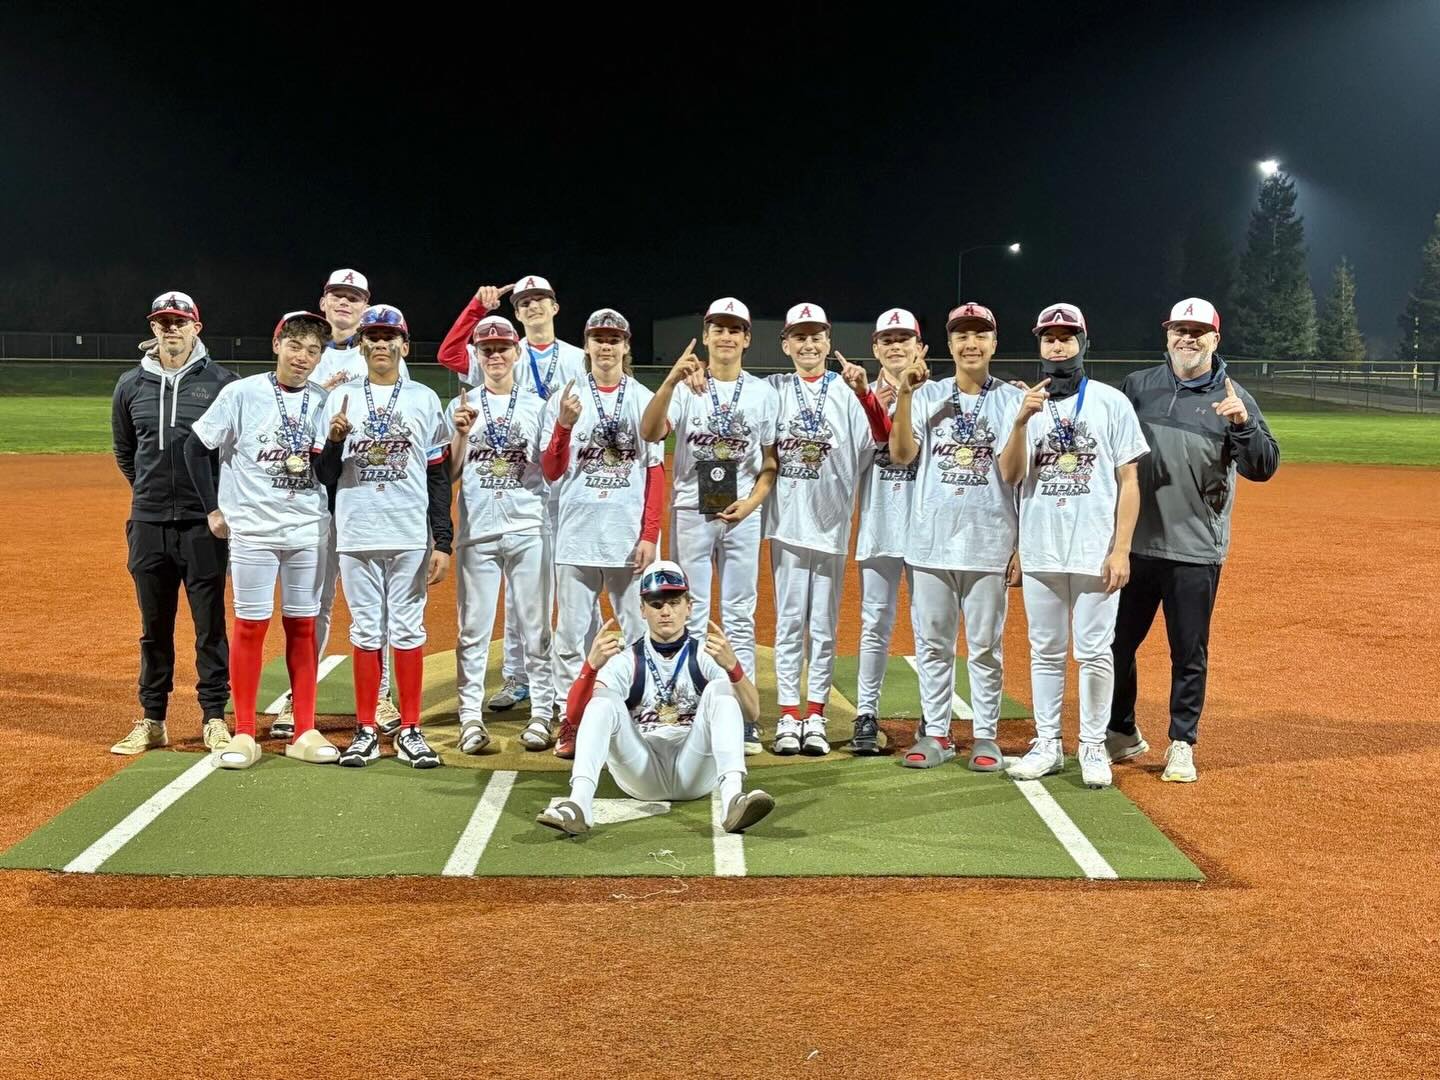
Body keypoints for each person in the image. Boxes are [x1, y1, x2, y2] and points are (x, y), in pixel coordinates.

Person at [1105, 298, 1279, 782]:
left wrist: (1243, 425)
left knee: (1188, 652)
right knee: (1115, 644)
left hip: (1196, 549)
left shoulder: (1233, 395)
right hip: (1134, 544)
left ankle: (1182, 742)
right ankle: (1122, 731)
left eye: (1199, 331)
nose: (1189, 338)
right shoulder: (1137, 388)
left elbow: (1264, 467)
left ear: (1215, 339)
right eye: (1181, 329)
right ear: (1167, 335)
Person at [998, 303, 1148, 789]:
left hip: (1093, 549)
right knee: (1044, 651)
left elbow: (1129, 479)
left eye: (1066, 337)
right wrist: (1020, 422)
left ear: (1083, 342)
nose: (1057, 345)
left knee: (1096, 652)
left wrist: (1121, 548)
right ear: (1039, 344)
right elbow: (1011, 475)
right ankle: (1046, 744)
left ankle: (1091, 745)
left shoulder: (1109, 401)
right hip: (1042, 548)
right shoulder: (1024, 403)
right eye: (1049, 338)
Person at [186, 311, 339, 769]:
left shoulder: (325, 401)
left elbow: (326, 473)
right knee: (250, 628)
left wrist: (333, 442)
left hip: (307, 530)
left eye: (313, 350)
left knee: (303, 627)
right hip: (253, 530)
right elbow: (196, 448)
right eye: (295, 346)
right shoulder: (241, 393)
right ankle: (246, 733)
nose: (303, 357)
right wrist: (212, 508)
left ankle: (305, 728)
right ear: (277, 345)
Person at [438, 275, 588, 716]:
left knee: (573, 591)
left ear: (555, 306)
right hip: (516, 490)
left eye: (540, 299)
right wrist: (476, 308)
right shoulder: (500, 349)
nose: (533, 306)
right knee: (520, 598)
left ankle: (576, 682)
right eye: (524, 302)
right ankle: (519, 680)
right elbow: (450, 353)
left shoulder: (578, 359)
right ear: (517, 312)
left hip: (568, 482)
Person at [536, 561, 774, 837]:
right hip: (641, 769)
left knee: (720, 691)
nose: (666, 612)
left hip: (693, 768)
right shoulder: (626, 660)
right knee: (603, 701)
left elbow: (752, 713)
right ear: (642, 610)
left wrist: (733, 668)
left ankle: (733, 799)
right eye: (657, 604)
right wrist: (590, 667)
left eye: (674, 602)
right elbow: (575, 718)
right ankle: (578, 804)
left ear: (689, 607)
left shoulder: (707, 655)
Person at [315, 304, 453, 768]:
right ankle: (366, 729)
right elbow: (324, 474)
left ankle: (411, 728)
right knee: (366, 630)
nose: (380, 343)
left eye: (389, 336)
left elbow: (438, 475)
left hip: (409, 534)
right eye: (371, 336)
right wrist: (334, 441)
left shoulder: (424, 399)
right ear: (361, 345)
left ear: (403, 345)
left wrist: (444, 540)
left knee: (409, 630)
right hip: (356, 533)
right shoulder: (339, 399)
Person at [272, 269, 408, 739]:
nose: (346, 304)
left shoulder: (381, 349)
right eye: (338, 296)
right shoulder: (305, 348)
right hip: (308, 496)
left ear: (365, 304)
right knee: (313, 602)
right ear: (324, 301)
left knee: (381, 607)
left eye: (355, 297)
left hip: (361, 496)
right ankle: (298, 694)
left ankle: (384, 694)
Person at [888, 303, 1023, 770]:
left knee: (985, 646)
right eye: (961, 335)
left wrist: (1020, 544)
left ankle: (986, 735)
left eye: (980, 334)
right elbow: (902, 454)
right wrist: (905, 396)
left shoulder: (1010, 399)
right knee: (933, 643)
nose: (971, 343)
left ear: (993, 342)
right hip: (930, 541)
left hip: (990, 540)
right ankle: (938, 733)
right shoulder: (927, 393)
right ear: (949, 344)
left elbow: (1018, 475)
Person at [109, 291, 237, 756]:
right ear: (154, 328)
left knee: (210, 625)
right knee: (154, 626)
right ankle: (153, 719)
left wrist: (210, 503)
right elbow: (127, 452)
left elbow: (232, 453)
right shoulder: (130, 385)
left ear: (196, 327)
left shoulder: (224, 383)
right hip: (148, 521)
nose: (171, 329)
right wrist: (150, 491)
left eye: (179, 321)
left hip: (204, 524)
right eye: (163, 321)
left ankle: (214, 717)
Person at [764, 303, 890, 757]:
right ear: (785, 345)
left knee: (823, 626)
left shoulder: (845, 391)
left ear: (829, 342)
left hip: (832, 526)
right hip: (787, 525)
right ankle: (787, 714)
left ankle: (815, 713)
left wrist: (865, 394)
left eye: (816, 335)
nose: (808, 343)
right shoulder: (774, 389)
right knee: (789, 623)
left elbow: (872, 445)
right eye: (799, 336)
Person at [638, 297, 779, 700]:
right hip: (691, 510)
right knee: (690, 612)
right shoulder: (685, 389)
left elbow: (771, 461)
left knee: (739, 615)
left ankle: (739, 703)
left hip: (743, 515)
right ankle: (690, 697)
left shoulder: (762, 393)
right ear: (705, 335)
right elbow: (650, 433)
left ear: (747, 338)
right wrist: (669, 381)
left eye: (734, 329)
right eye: (718, 328)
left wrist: (753, 503)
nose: (726, 336)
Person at [541, 308, 663, 754]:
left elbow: (655, 470)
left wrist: (650, 532)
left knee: (635, 629)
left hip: (627, 537)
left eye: (614, 339)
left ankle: (632, 709)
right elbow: (551, 470)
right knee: (571, 633)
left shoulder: (644, 397)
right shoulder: (564, 397)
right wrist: (564, 425)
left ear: (626, 346)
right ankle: (569, 715)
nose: (606, 346)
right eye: (598, 339)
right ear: (587, 345)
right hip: (576, 534)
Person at [447, 314, 557, 755]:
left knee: (536, 628)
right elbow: (452, 473)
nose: (495, 355)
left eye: (502, 348)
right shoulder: (461, 404)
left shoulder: (537, 405)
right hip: (477, 532)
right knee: (472, 630)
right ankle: (469, 718)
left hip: (529, 527)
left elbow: (550, 469)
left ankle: (543, 714)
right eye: (486, 349)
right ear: (477, 354)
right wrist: (459, 433)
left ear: (517, 352)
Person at [850, 308, 928, 755]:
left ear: (919, 346)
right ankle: (865, 713)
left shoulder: (936, 394)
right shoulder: (856, 398)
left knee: (928, 629)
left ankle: (930, 717)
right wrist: (870, 399)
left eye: (904, 339)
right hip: (880, 527)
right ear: (875, 348)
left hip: (925, 533)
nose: (896, 346)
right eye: (887, 340)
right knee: (874, 624)